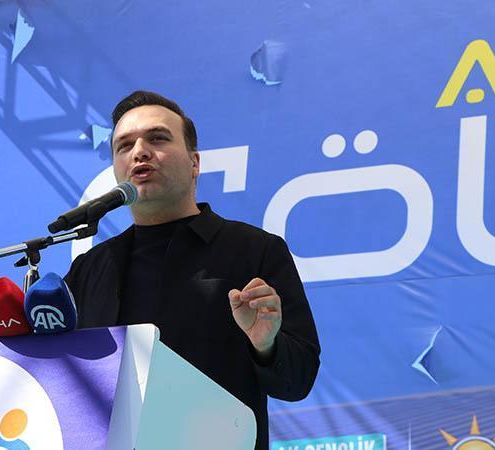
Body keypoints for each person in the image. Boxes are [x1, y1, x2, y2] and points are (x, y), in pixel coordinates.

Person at [64, 90, 320, 450]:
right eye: (124, 145)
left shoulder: (255, 250)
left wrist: (265, 345)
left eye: (157, 138)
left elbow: (298, 380)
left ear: (194, 163)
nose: (139, 151)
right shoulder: (89, 269)